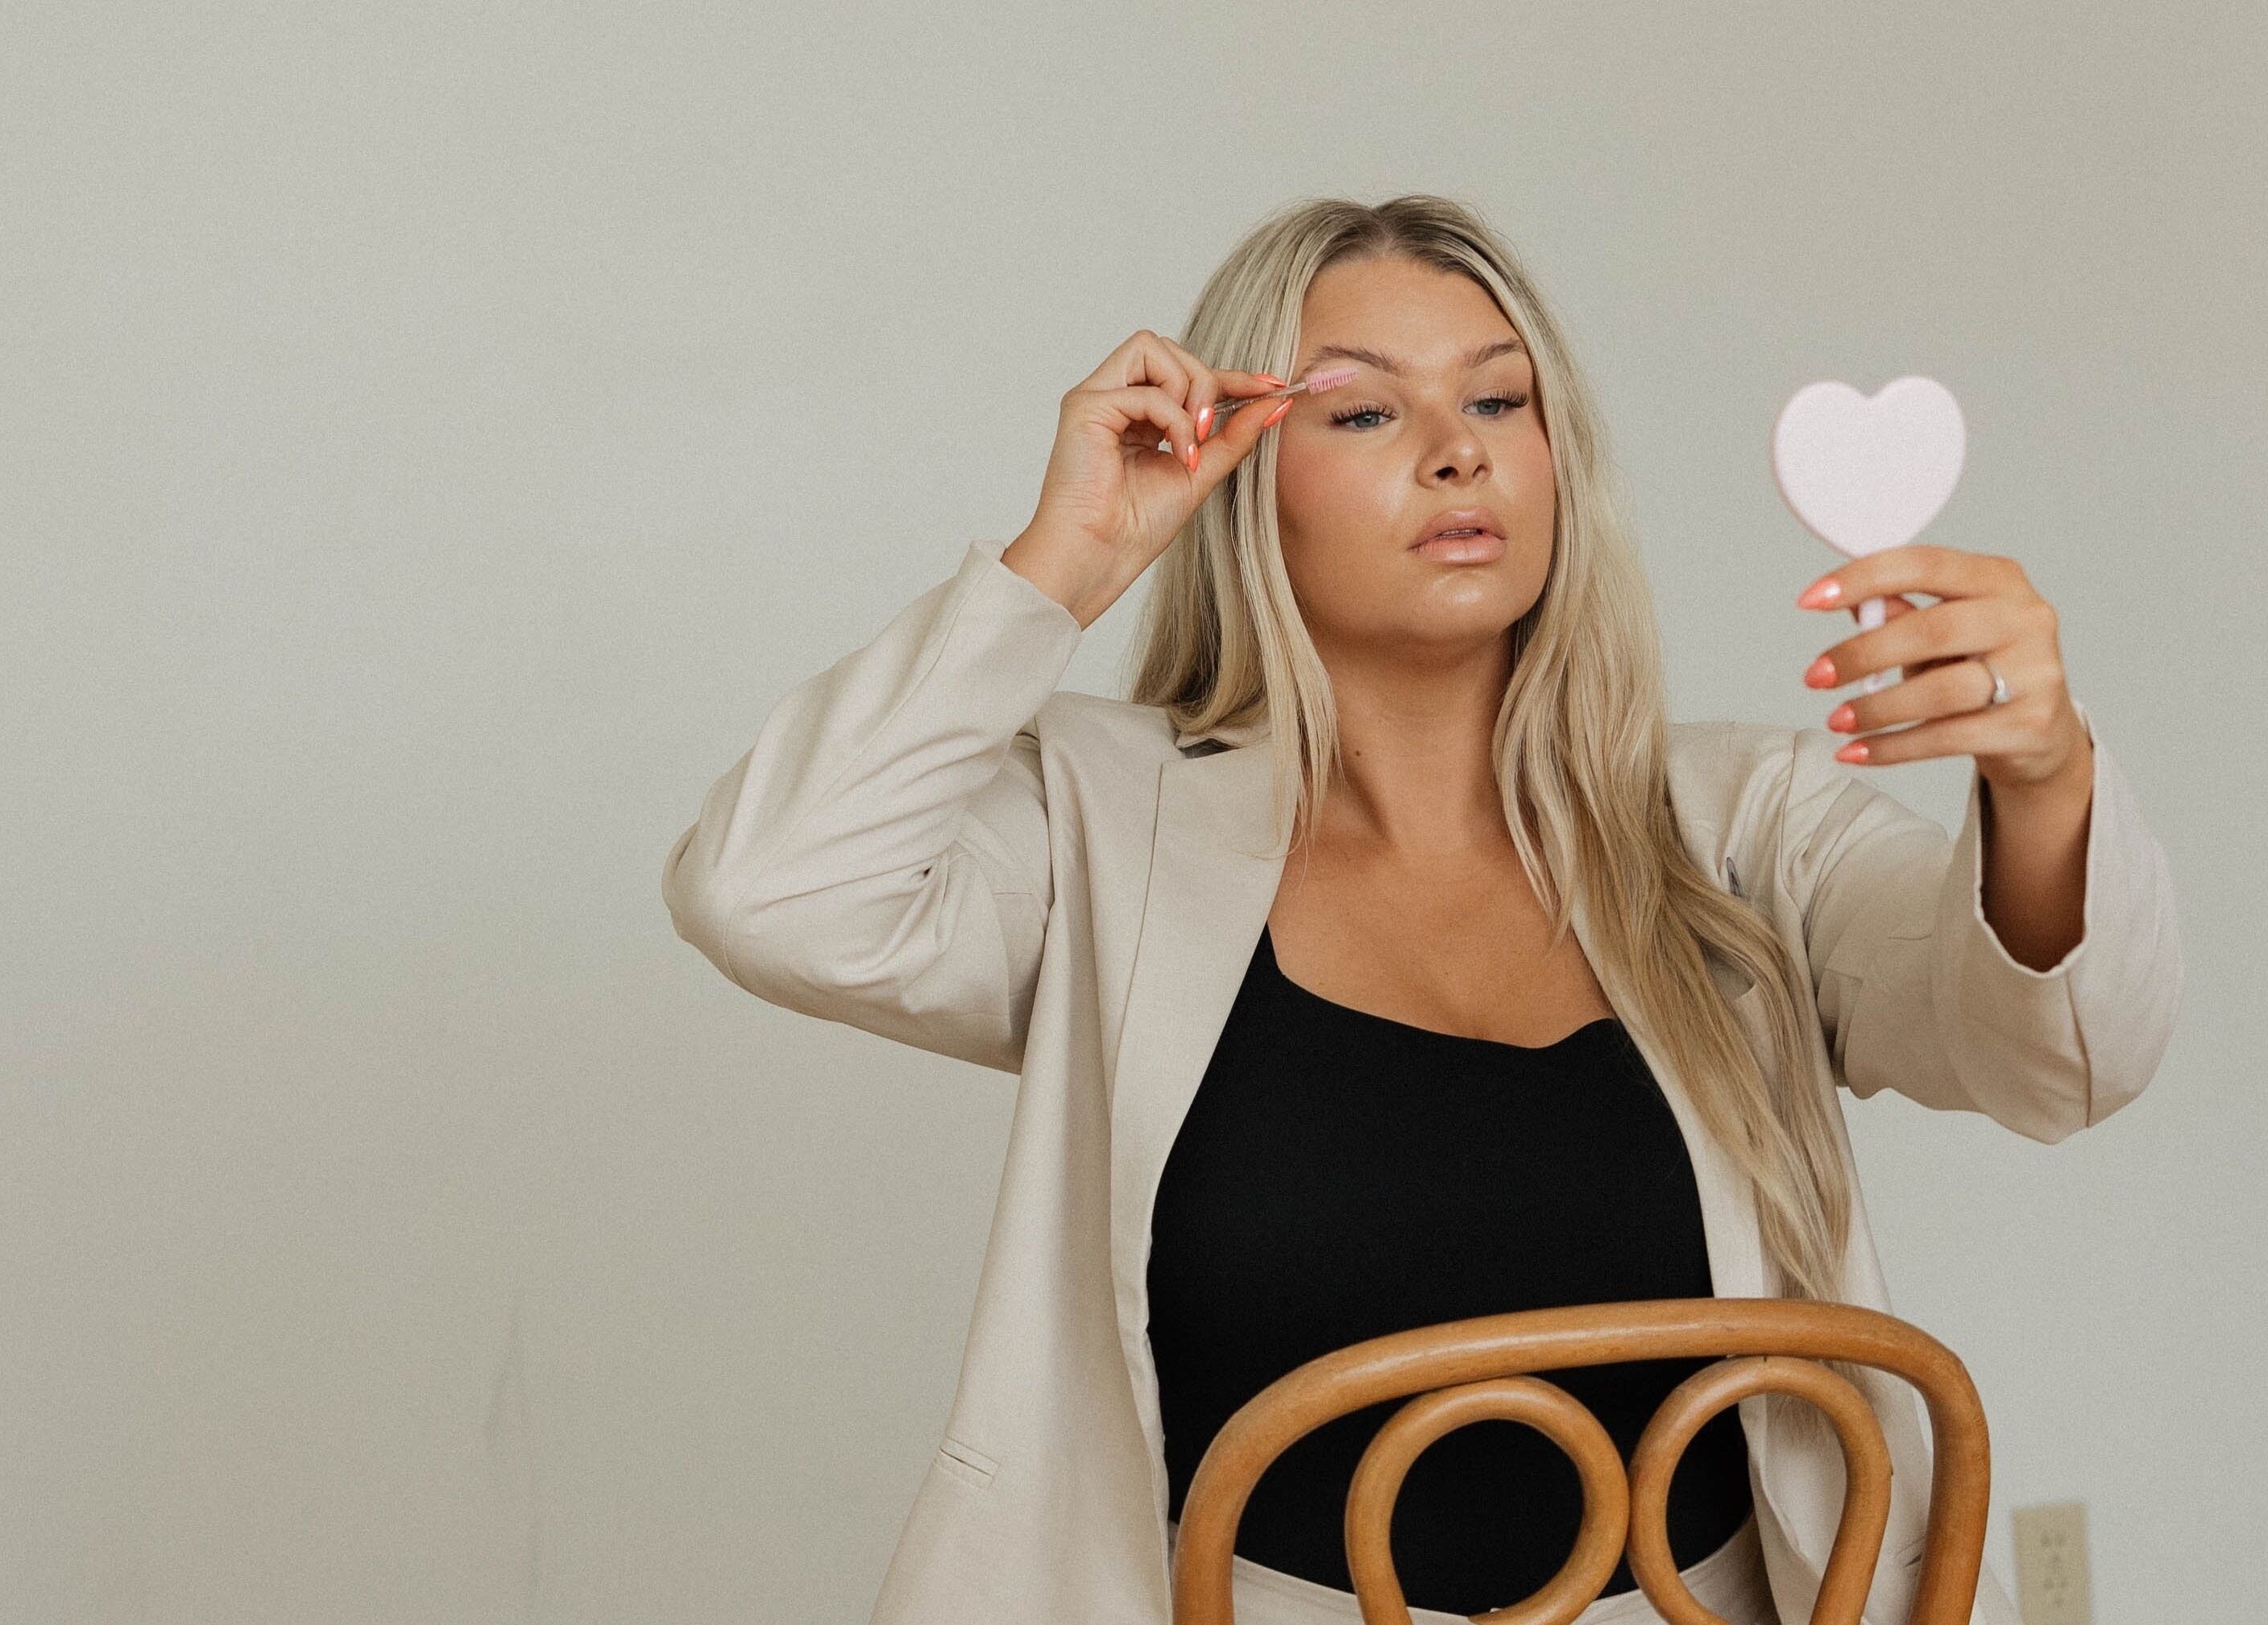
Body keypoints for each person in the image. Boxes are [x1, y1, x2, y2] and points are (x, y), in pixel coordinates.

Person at [662, 194, 2183, 1625]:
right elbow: (770, 888)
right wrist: (1070, 558)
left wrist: (2041, 773)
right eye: (1366, 408)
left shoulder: (1740, 823)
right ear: (1241, 461)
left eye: (1499, 400)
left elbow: (2057, 1055)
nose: (1457, 452)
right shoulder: (1099, 818)